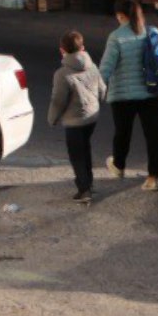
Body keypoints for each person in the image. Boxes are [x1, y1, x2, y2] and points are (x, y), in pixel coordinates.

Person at [99, 0, 158, 191]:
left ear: (120, 15)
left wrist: (95, 89)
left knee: (122, 133)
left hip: (123, 97)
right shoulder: (153, 32)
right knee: (153, 135)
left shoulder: (116, 37)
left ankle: (118, 166)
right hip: (152, 94)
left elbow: (106, 68)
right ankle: (153, 178)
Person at [49, 30, 106, 205]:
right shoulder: (93, 66)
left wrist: (52, 119)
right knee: (85, 148)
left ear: (62, 50)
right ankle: (88, 182)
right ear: (82, 47)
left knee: (76, 155)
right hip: (92, 118)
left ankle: (84, 190)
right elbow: (102, 90)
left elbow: (58, 101)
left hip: (74, 121)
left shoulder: (62, 74)